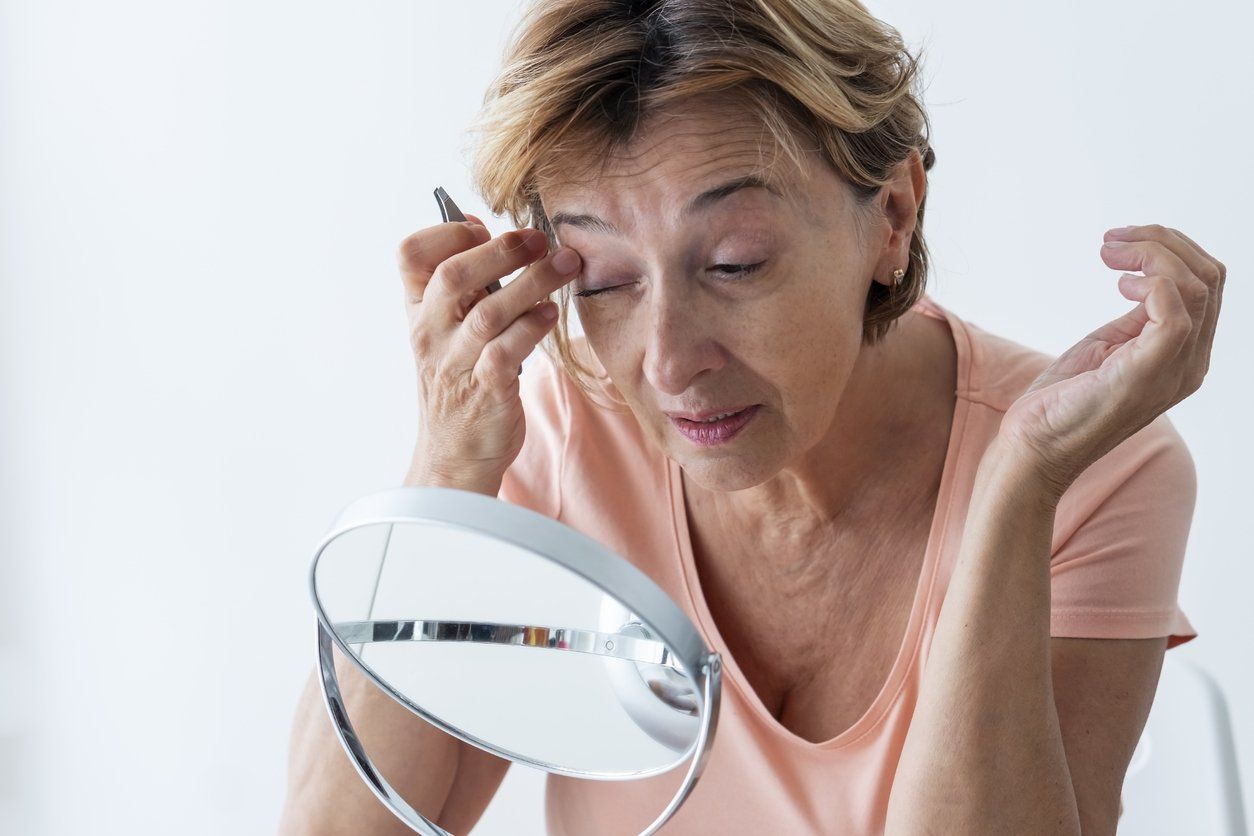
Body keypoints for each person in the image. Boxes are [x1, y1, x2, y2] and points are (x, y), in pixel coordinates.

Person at [279, 1, 1227, 833]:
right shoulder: (562, 437)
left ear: (892, 214)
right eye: (604, 280)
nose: (665, 361)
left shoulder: (1093, 465)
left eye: (733, 263)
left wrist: (1015, 490)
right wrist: (447, 476)